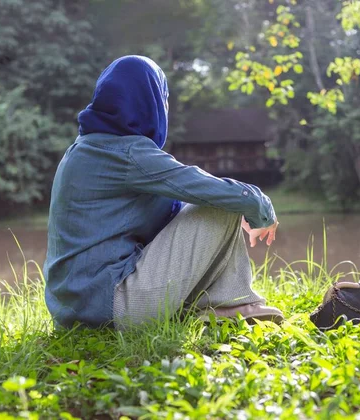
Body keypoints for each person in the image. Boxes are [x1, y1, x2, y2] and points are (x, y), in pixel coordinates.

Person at [43, 55, 283, 330]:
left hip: (71, 313)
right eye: (164, 98)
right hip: (112, 308)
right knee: (224, 200)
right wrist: (259, 205)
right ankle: (229, 303)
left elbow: (171, 207)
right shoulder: (128, 152)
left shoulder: (82, 150)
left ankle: (220, 303)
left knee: (211, 201)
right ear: (149, 102)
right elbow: (204, 187)